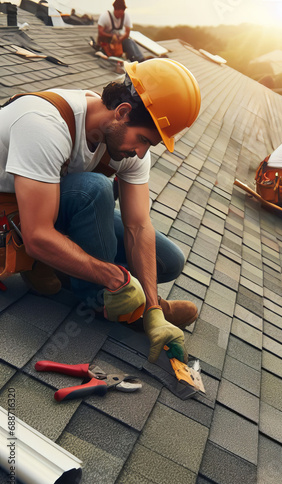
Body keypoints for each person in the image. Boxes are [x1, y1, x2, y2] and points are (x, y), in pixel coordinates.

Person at [0, 58, 201, 364]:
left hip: (49, 204)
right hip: (15, 216)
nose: (141, 152)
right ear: (122, 113)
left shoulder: (124, 139)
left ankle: (76, 275)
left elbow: (138, 227)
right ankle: (101, 301)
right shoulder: (44, 123)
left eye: (151, 145)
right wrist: (115, 278)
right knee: (94, 189)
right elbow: (37, 235)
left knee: (168, 261)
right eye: (143, 140)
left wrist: (154, 310)